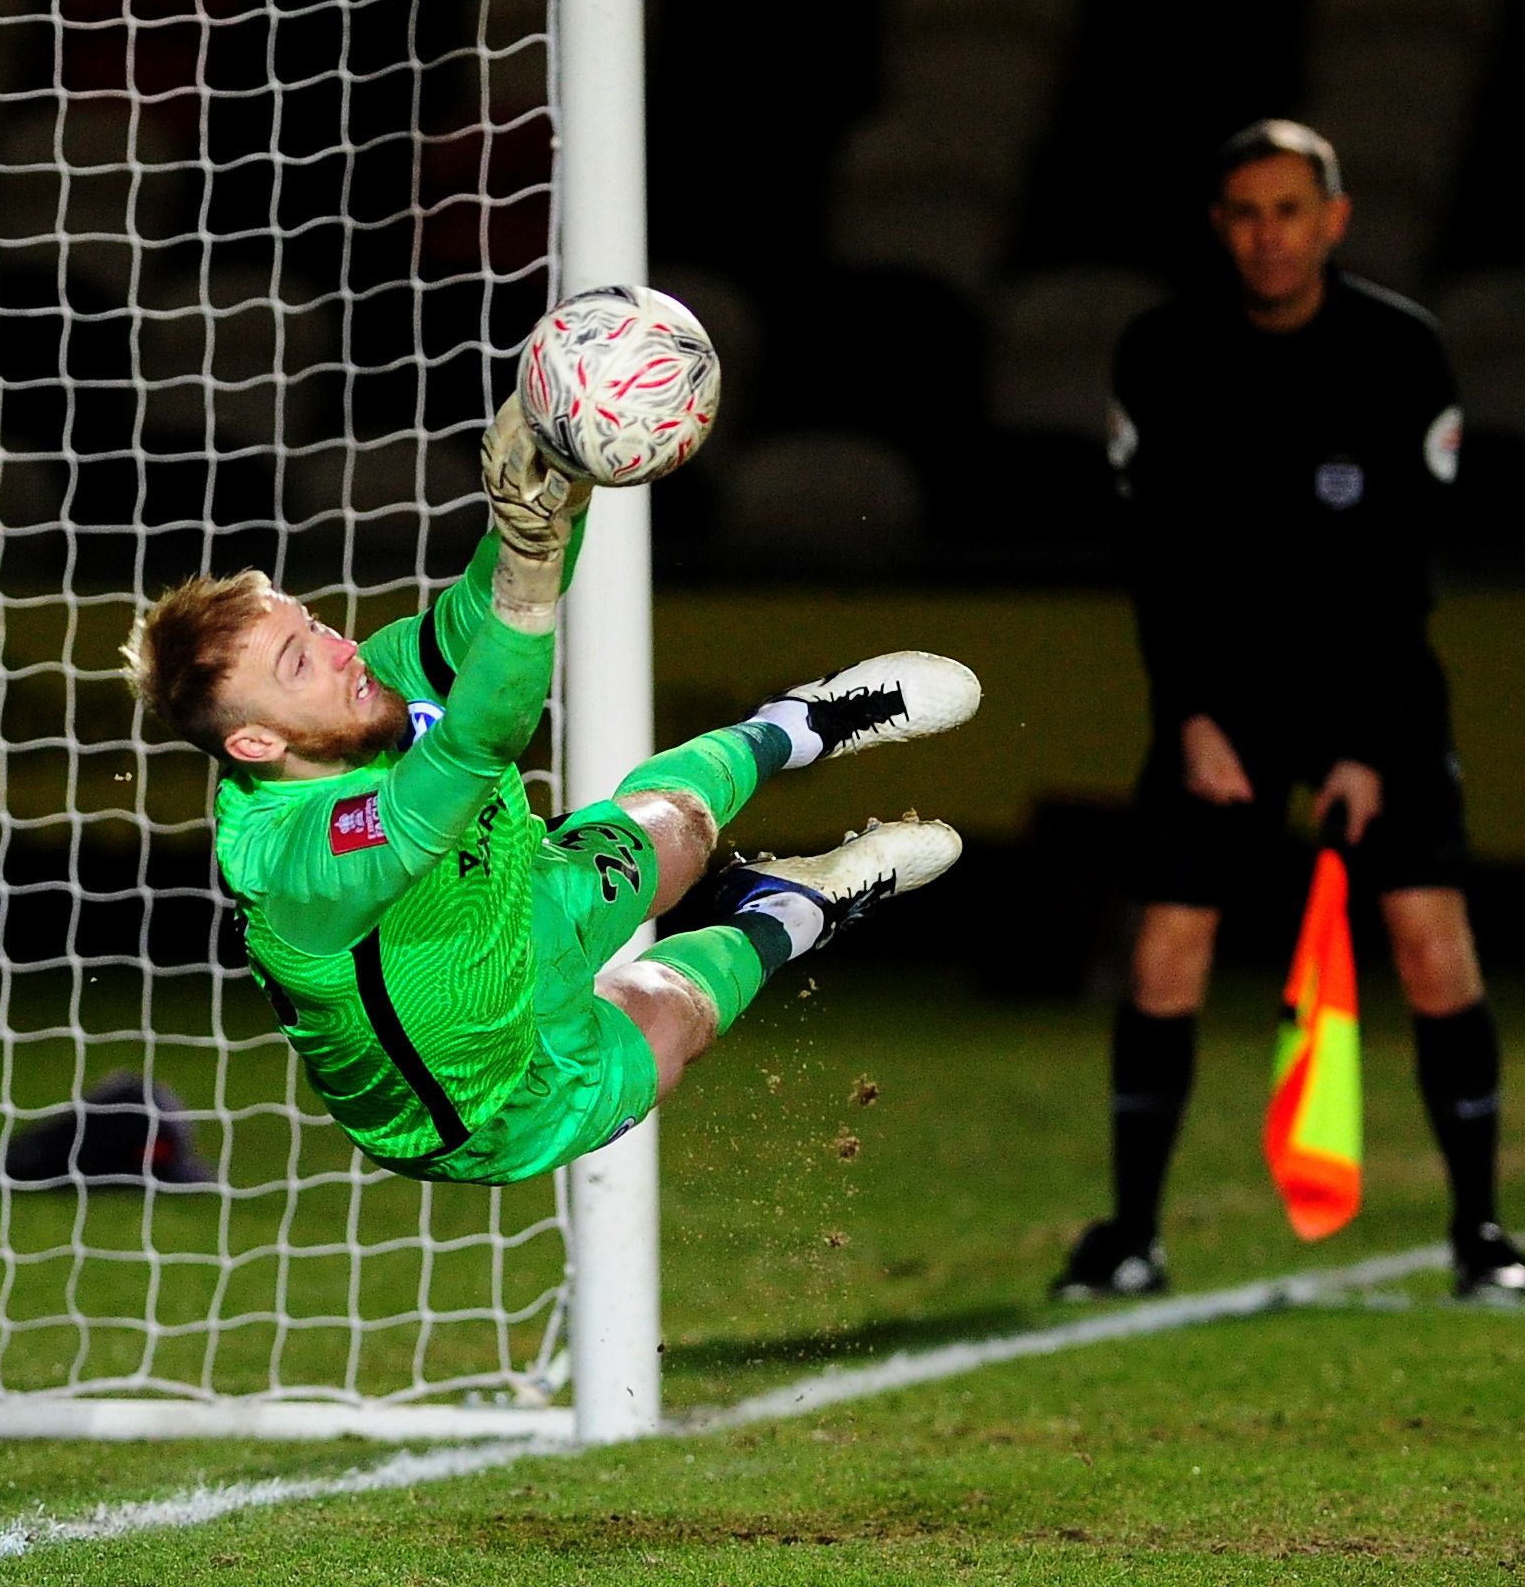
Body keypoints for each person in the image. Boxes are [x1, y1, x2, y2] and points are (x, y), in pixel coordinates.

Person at [122, 398, 980, 1186]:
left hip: (514, 897)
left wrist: (557, 480)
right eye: (298, 662)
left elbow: (485, 607)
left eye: (311, 625)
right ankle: (794, 909)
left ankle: (798, 723)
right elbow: (473, 745)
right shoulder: (294, 863)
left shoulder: (371, 682)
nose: (340, 647)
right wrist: (529, 566)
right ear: (255, 741)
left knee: (678, 828)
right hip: (491, 1101)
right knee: (667, 1018)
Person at [1053, 119, 1525, 1302]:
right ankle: (1130, 1236)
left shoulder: (1397, 351)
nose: (1268, 235)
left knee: (1431, 948)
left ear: (1333, 219)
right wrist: (1191, 717)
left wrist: (1364, 747)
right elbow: (1153, 562)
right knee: (1165, 954)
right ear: (1220, 227)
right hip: (1218, 703)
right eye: (1245, 213)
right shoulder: (1162, 351)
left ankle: (1479, 1233)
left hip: (1376, 694)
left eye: (1288, 210)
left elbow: (1400, 569)